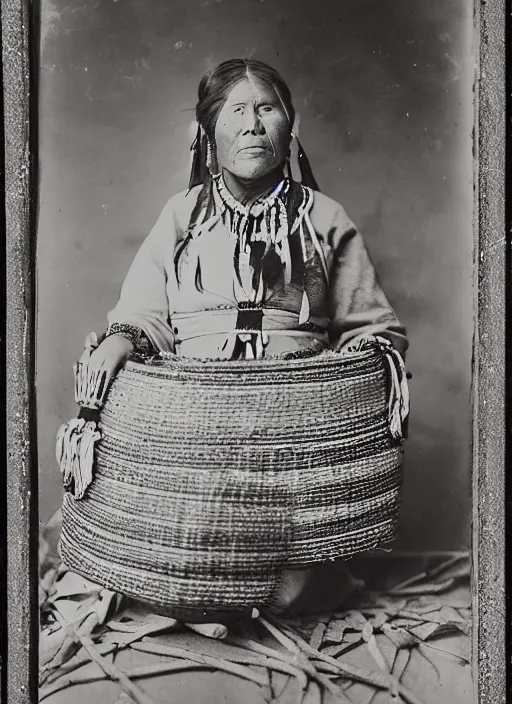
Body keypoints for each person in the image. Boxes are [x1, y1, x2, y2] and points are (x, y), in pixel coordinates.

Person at [45, 58, 408, 628]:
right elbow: (143, 310)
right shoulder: (182, 215)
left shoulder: (325, 218)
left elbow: (373, 327)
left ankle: (296, 566)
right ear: (209, 132)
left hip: (291, 427)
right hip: (199, 424)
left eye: (267, 109)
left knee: (285, 595)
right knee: (183, 578)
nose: (253, 126)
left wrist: (345, 378)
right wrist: (123, 338)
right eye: (235, 111)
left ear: (290, 127)